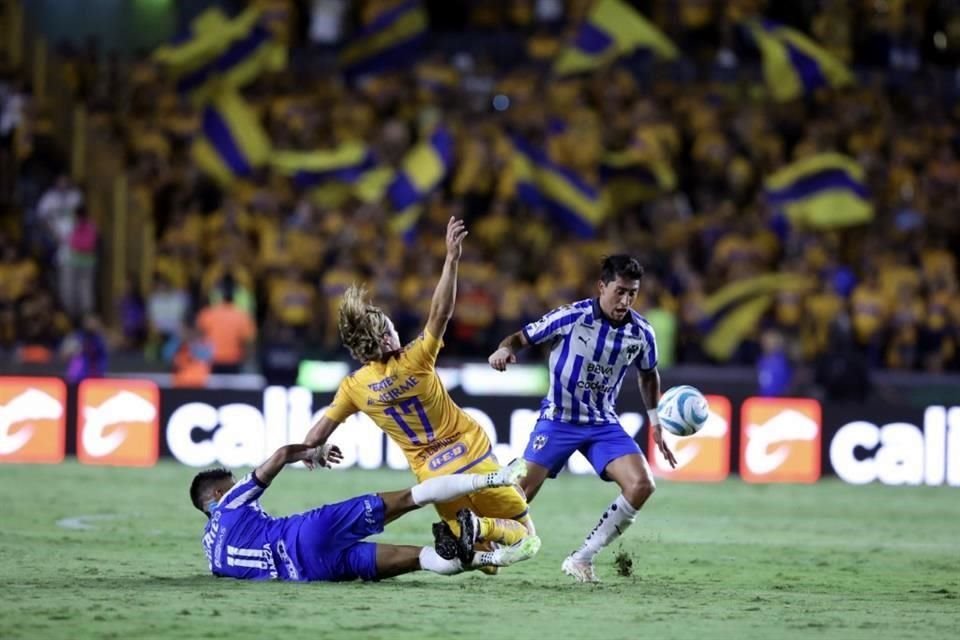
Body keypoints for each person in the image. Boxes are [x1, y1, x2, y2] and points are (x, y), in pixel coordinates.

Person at [303, 217, 535, 558]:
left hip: (434, 478)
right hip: (472, 454)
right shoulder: (417, 358)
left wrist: (317, 451)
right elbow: (441, 311)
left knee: (487, 562)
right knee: (525, 535)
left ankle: (465, 533)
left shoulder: (354, 387)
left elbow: (313, 438)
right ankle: (482, 527)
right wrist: (451, 259)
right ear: (385, 336)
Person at [488, 254, 678, 583]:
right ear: (602, 287)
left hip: (602, 423)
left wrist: (656, 422)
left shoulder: (642, 332)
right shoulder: (571, 316)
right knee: (520, 492)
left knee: (642, 485)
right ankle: (486, 540)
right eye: (619, 291)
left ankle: (582, 558)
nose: (626, 300)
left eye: (632, 293)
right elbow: (520, 337)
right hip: (559, 419)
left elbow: (648, 375)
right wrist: (505, 350)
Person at [189, 445, 540, 581]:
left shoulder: (211, 554)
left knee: (420, 558)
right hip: (309, 533)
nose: (236, 487)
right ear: (219, 494)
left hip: (311, 572)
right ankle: (497, 477)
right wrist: (313, 451)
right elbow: (280, 455)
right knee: (408, 498)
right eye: (230, 484)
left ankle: (498, 557)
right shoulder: (232, 501)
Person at [195, 276, 256, 374]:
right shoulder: (243, 316)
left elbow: (198, 338)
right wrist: (247, 362)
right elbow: (248, 343)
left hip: (211, 361)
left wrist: (200, 360)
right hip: (234, 361)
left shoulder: (207, 313)